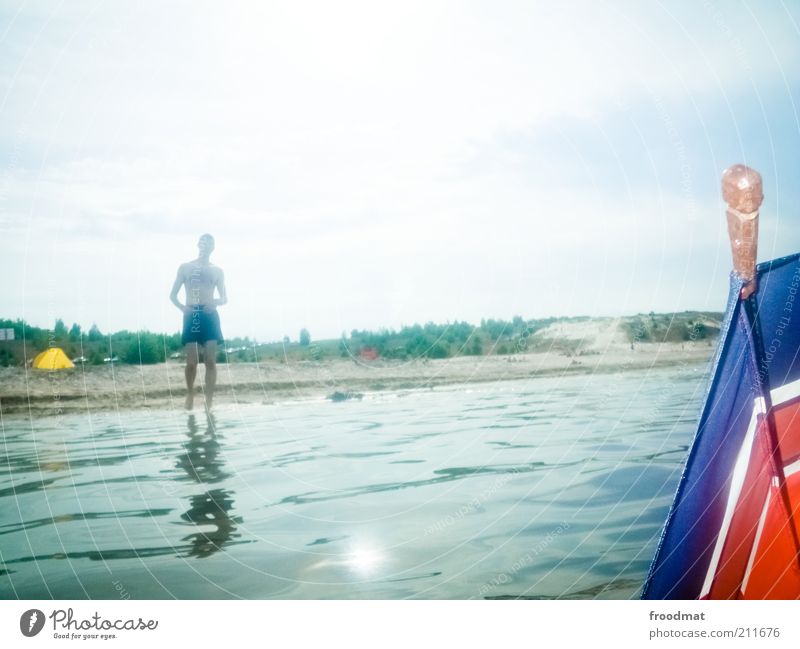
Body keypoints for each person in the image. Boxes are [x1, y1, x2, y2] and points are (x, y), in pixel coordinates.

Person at [169, 234, 227, 410]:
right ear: (198, 245)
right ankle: (190, 393)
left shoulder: (217, 270)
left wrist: (215, 302)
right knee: (192, 362)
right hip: (191, 314)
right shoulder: (185, 267)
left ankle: (209, 402)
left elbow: (224, 298)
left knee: (210, 361)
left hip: (210, 316)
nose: (206, 246)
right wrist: (182, 308)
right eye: (204, 243)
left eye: (210, 244)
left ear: (213, 248)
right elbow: (172, 295)